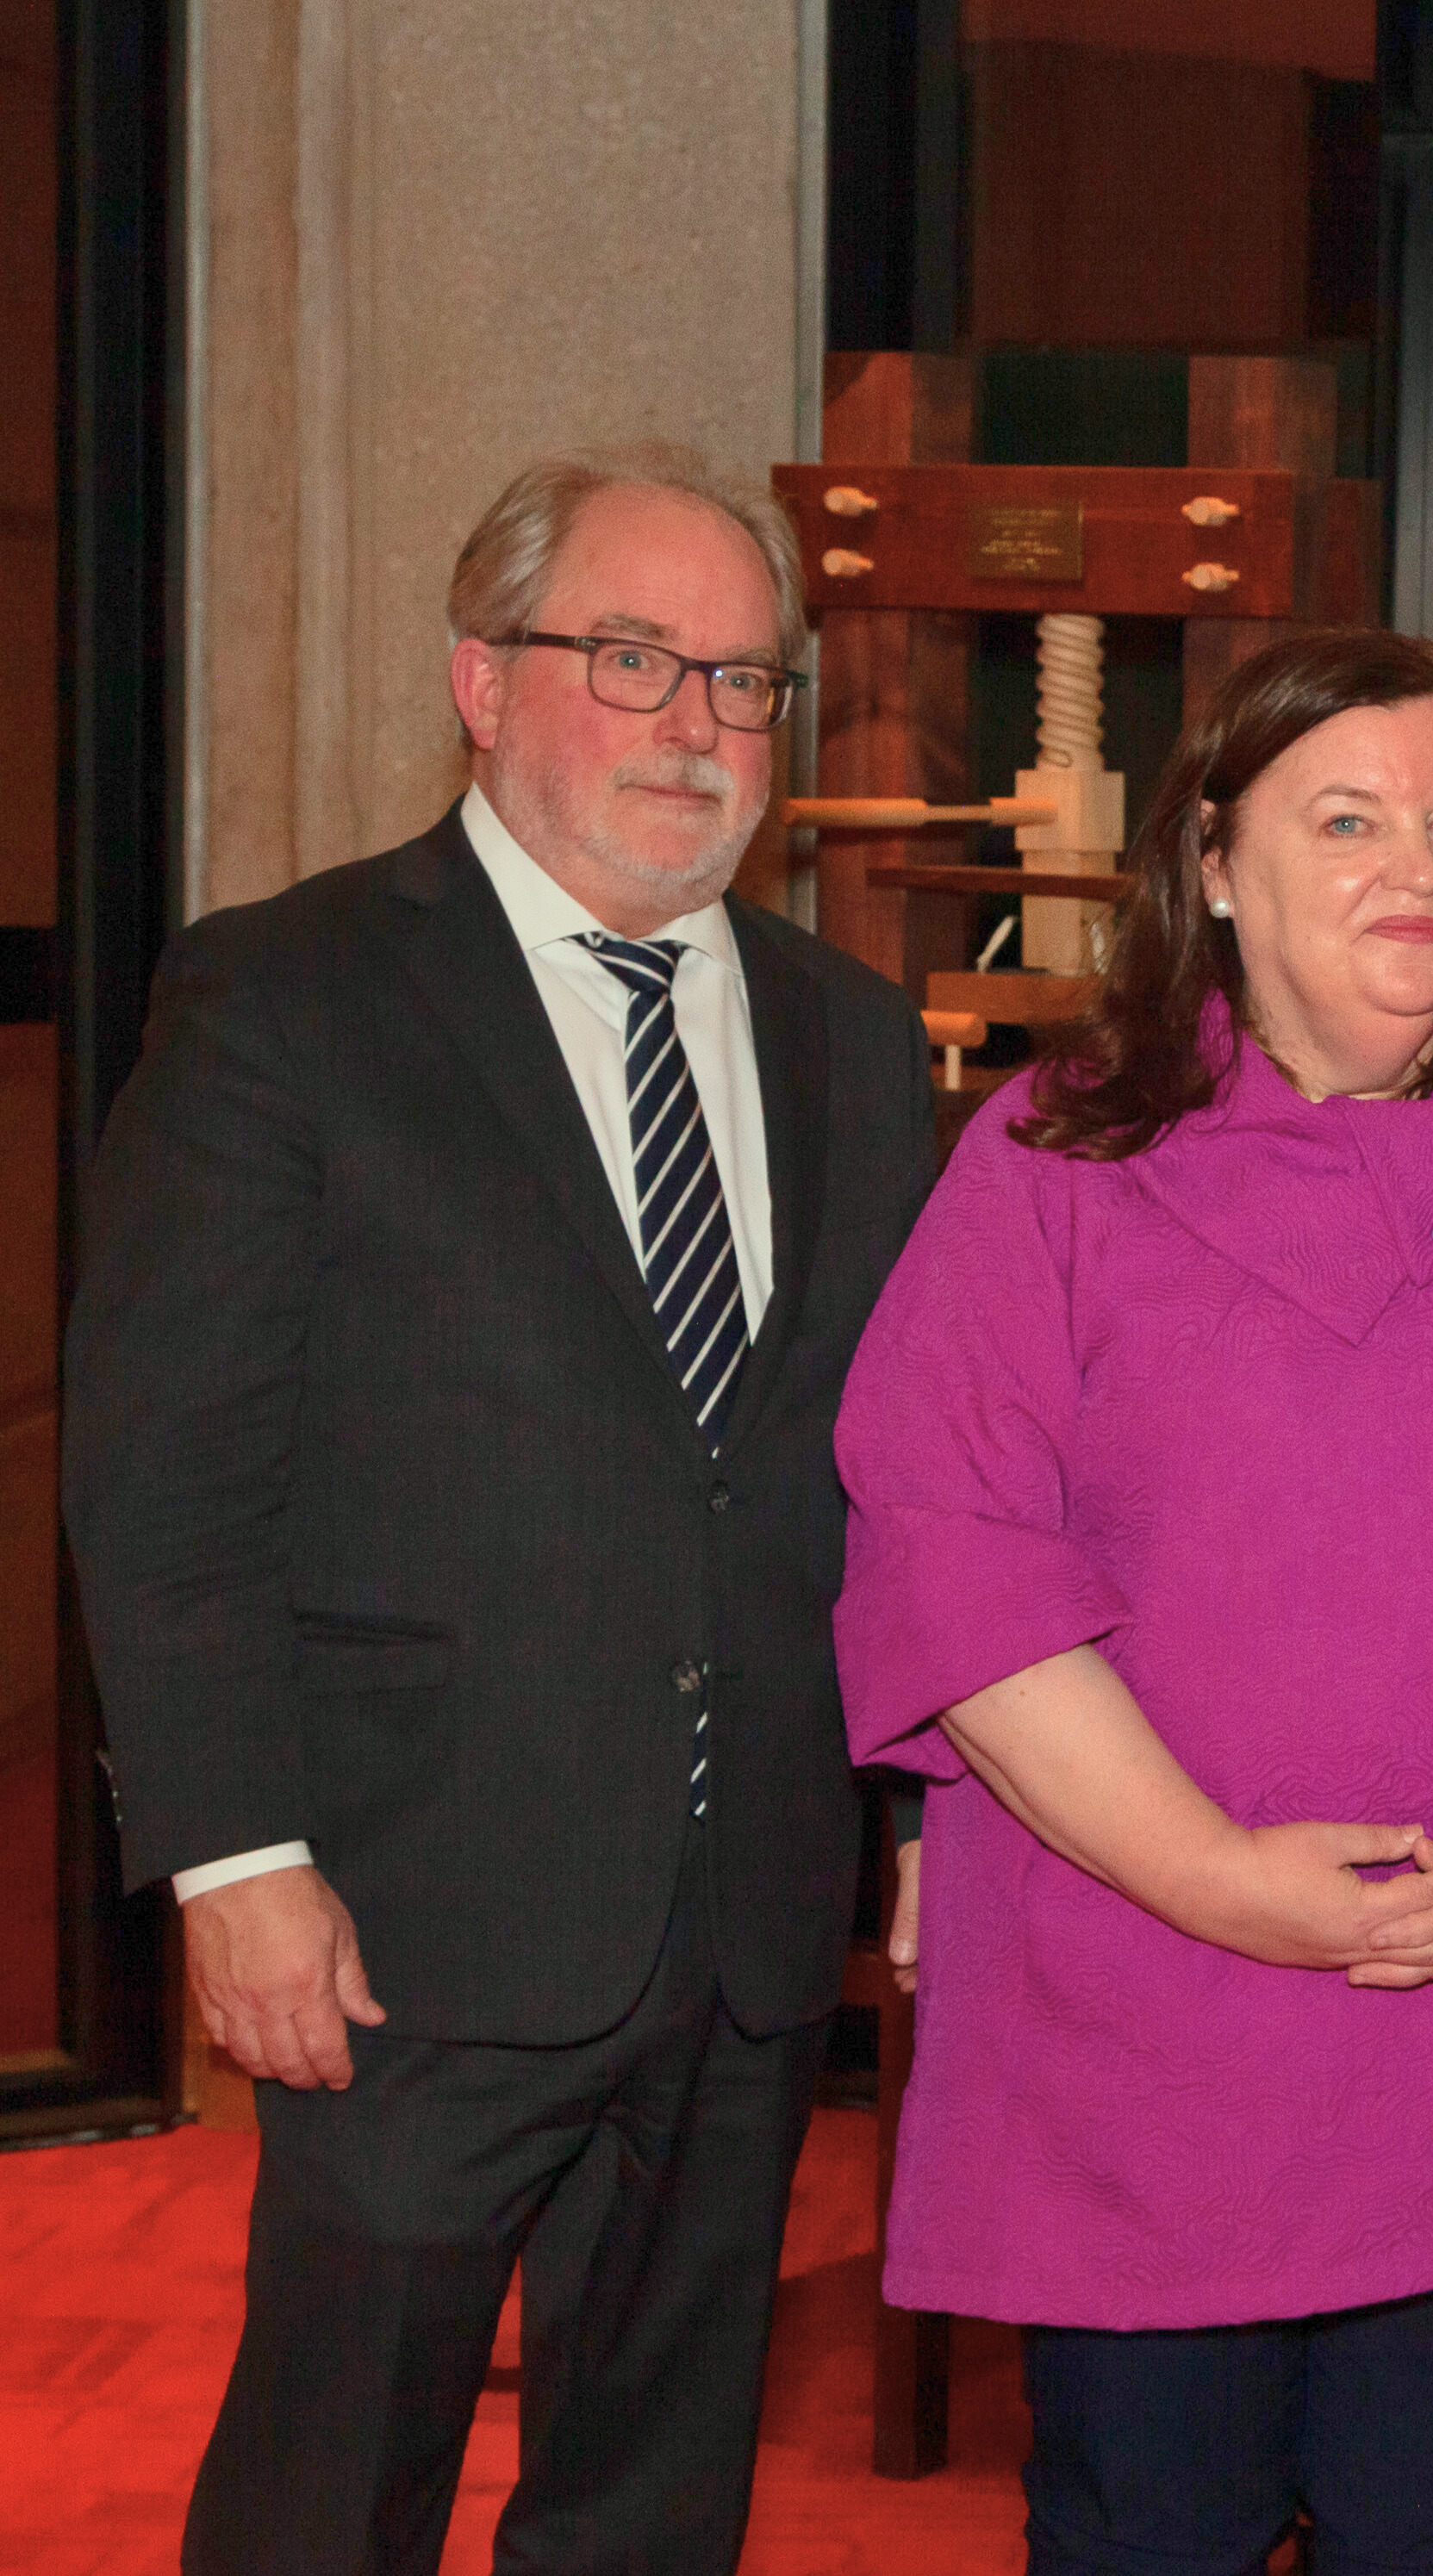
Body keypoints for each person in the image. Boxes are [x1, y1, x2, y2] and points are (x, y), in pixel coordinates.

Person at [64, 446, 932, 2573]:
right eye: (631, 659)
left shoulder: (854, 1042)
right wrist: (234, 1857)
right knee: (328, 2496)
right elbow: (166, 1468)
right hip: (406, 1917)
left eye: (744, 681)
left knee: (654, 2497)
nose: (697, 728)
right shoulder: (287, 997)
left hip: (741, 1930)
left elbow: (895, 1485)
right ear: (480, 677)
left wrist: (921, 1819)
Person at [835, 629, 1433, 2568]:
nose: (1413, 868)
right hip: (1150, 2030)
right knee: (1145, 2528)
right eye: (1342, 821)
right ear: (1209, 862)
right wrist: (1213, 1876)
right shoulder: (1056, 1160)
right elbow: (951, 1555)